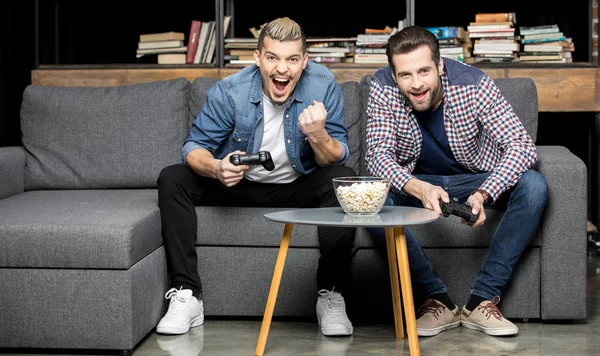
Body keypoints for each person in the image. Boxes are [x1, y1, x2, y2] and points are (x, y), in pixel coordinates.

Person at [156, 17, 356, 336]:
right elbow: (193, 147)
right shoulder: (231, 92)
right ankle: (187, 294)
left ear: (305, 61)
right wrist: (217, 168)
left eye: (292, 59)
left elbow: (339, 153)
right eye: (273, 57)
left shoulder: (323, 85)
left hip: (297, 186)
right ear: (258, 57)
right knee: (173, 177)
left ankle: (331, 295)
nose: (282, 69)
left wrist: (317, 135)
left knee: (344, 178)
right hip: (238, 185)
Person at [363, 26, 549, 337]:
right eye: (405, 75)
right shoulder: (382, 87)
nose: (417, 83)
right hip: (417, 182)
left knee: (534, 184)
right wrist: (419, 188)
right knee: (370, 197)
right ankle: (435, 300)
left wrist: (484, 193)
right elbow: (378, 157)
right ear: (395, 76)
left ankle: (482, 301)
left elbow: (521, 146)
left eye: (424, 71)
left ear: (439, 66)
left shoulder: (473, 84)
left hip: (474, 179)